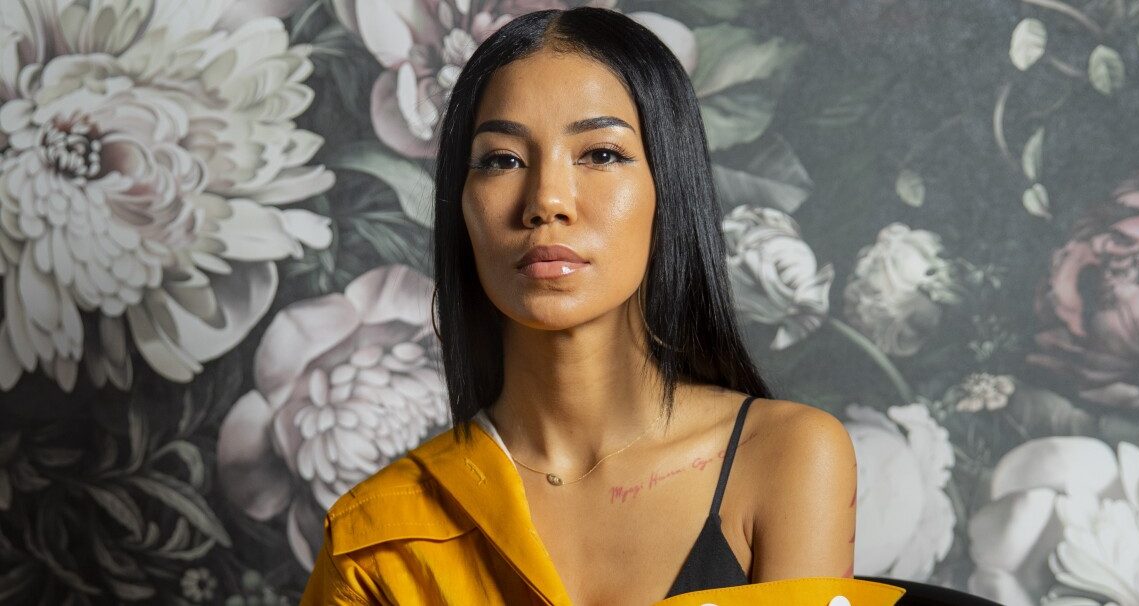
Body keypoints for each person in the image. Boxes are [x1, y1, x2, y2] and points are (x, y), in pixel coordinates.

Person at [301, 7, 904, 605]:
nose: (546, 200)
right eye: (502, 160)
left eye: (601, 154)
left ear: (668, 187)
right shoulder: (375, 537)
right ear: (461, 205)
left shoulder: (785, 456)